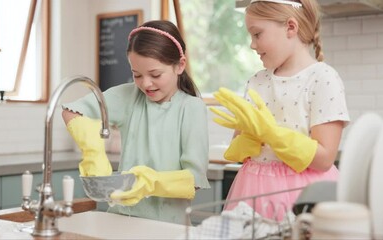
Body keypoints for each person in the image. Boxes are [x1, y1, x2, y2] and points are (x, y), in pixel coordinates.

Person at [210, 0, 350, 221]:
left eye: (257, 34)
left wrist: (273, 136)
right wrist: (243, 144)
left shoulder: (322, 78)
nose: (252, 45)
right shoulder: (256, 82)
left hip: (304, 195)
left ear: (290, 28)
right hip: (252, 191)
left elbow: (324, 158)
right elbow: (241, 149)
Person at [62, 20, 210, 224]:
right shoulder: (128, 96)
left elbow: (195, 180)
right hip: (122, 219)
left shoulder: (192, 109)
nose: (145, 84)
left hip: (168, 226)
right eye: (137, 75)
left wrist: (151, 183)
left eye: (155, 74)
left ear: (180, 66)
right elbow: (71, 111)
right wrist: (93, 153)